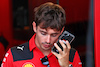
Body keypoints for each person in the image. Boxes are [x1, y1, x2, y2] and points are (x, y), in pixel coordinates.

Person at [1, 2, 82, 67]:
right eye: (43, 33)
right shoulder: (14, 54)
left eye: (54, 35)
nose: (48, 41)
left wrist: (66, 66)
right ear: (34, 27)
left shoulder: (71, 55)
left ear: (62, 31)